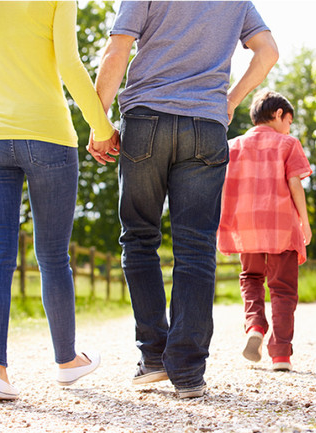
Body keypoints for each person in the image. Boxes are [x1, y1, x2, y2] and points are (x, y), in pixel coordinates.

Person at [87, 2, 278, 398]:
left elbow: (117, 49)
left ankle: (154, 356)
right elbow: (269, 52)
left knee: (139, 239)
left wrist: (98, 119)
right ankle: (189, 371)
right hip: (206, 126)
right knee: (195, 247)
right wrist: (230, 101)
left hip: (146, 123)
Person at [0, 1, 119, 401]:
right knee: (52, 256)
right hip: (48, 133)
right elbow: (69, 64)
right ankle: (67, 362)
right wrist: (101, 126)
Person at [217, 90, 312, 372]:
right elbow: (295, 184)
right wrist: (304, 221)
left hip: (246, 225)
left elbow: (222, 187)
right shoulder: (288, 144)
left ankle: (255, 325)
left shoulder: (233, 145)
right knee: (282, 288)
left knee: (251, 277)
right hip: (280, 223)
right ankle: (281, 354)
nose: (289, 128)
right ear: (279, 114)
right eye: (289, 121)